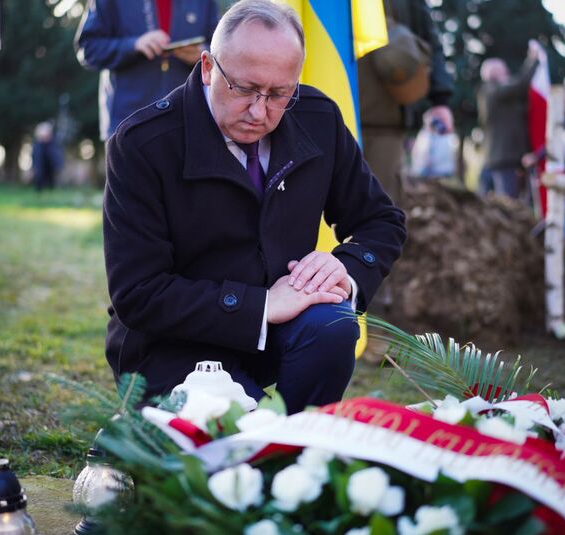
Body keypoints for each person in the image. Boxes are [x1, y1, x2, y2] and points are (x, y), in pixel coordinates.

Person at [102, 0, 407, 414]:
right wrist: (260, 306)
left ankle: (302, 446)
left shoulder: (317, 119)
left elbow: (381, 221)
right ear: (208, 68)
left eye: (280, 93)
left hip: (278, 335)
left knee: (332, 324)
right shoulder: (142, 144)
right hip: (169, 345)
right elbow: (138, 294)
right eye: (244, 89)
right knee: (240, 447)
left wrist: (346, 272)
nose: (260, 111)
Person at [357, 0, 453, 310]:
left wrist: (441, 99)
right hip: (330, 109)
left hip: (385, 123)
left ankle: (375, 310)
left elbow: (428, 38)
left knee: (380, 215)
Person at [74, 0, 218, 140]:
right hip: (129, 125)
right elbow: (88, 49)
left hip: (189, 121)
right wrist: (133, 46)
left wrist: (203, 54)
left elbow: (221, 49)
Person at [477, 43, 539, 199]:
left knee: (516, 203)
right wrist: (532, 60)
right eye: (503, 69)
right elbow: (521, 84)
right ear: (493, 74)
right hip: (503, 158)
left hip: (512, 158)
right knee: (507, 203)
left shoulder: (501, 96)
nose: (507, 72)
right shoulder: (491, 91)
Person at [31, 122, 62, 191]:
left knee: (51, 179)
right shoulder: (37, 144)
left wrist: (58, 164)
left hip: (51, 165)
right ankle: (39, 191)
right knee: (39, 178)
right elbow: (34, 156)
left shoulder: (53, 143)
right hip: (40, 166)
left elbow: (57, 155)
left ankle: (51, 191)